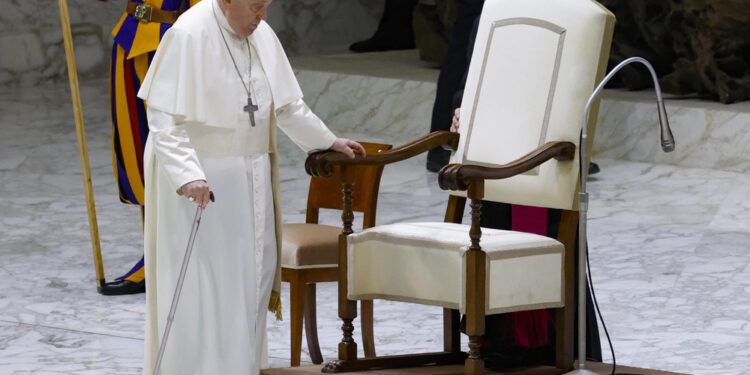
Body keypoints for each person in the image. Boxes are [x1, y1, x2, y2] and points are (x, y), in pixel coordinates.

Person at [136, 0, 366, 373]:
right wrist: (188, 174)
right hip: (201, 186)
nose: (263, 17)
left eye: (267, 7)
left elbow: (288, 107)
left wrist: (327, 141)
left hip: (252, 182)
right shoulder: (188, 33)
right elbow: (164, 118)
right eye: (256, 7)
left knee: (249, 284)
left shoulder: (260, 33)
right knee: (203, 291)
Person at [101, 0, 202, 296]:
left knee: (176, 149)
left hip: (176, 44)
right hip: (131, 38)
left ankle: (187, 254)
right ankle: (156, 255)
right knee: (136, 150)